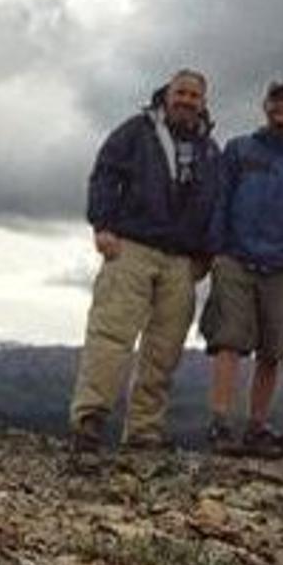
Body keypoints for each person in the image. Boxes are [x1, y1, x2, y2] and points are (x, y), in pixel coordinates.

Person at [69, 69, 221, 452]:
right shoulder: (136, 131)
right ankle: (89, 419)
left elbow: (215, 202)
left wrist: (206, 252)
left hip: (181, 258)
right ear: (166, 95)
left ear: (203, 103)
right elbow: (104, 173)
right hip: (131, 245)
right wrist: (102, 224)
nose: (187, 100)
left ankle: (144, 430)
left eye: (194, 95)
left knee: (165, 348)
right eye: (180, 92)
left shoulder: (209, 149)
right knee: (111, 334)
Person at [200, 79, 283, 456]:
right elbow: (220, 198)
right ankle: (220, 423)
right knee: (228, 341)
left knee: (273, 349)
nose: (281, 108)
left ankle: (256, 425)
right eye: (276, 101)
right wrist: (217, 249)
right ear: (265, 105)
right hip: (236, 258)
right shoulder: (239, 149)